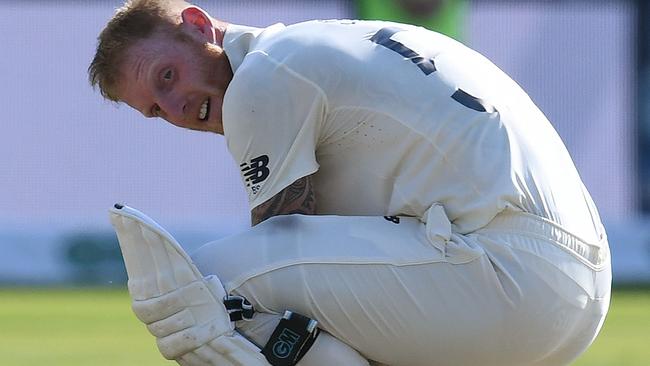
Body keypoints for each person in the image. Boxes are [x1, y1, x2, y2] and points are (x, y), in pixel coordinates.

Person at [89, 0, 612, 365]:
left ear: (200, 26)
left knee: (205, 288)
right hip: (577, 292)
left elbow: (276, 252)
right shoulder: (322, 41)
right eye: (156, 111)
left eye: (167, 76)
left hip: (513, 277)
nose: (177, 108)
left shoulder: (260, 79)